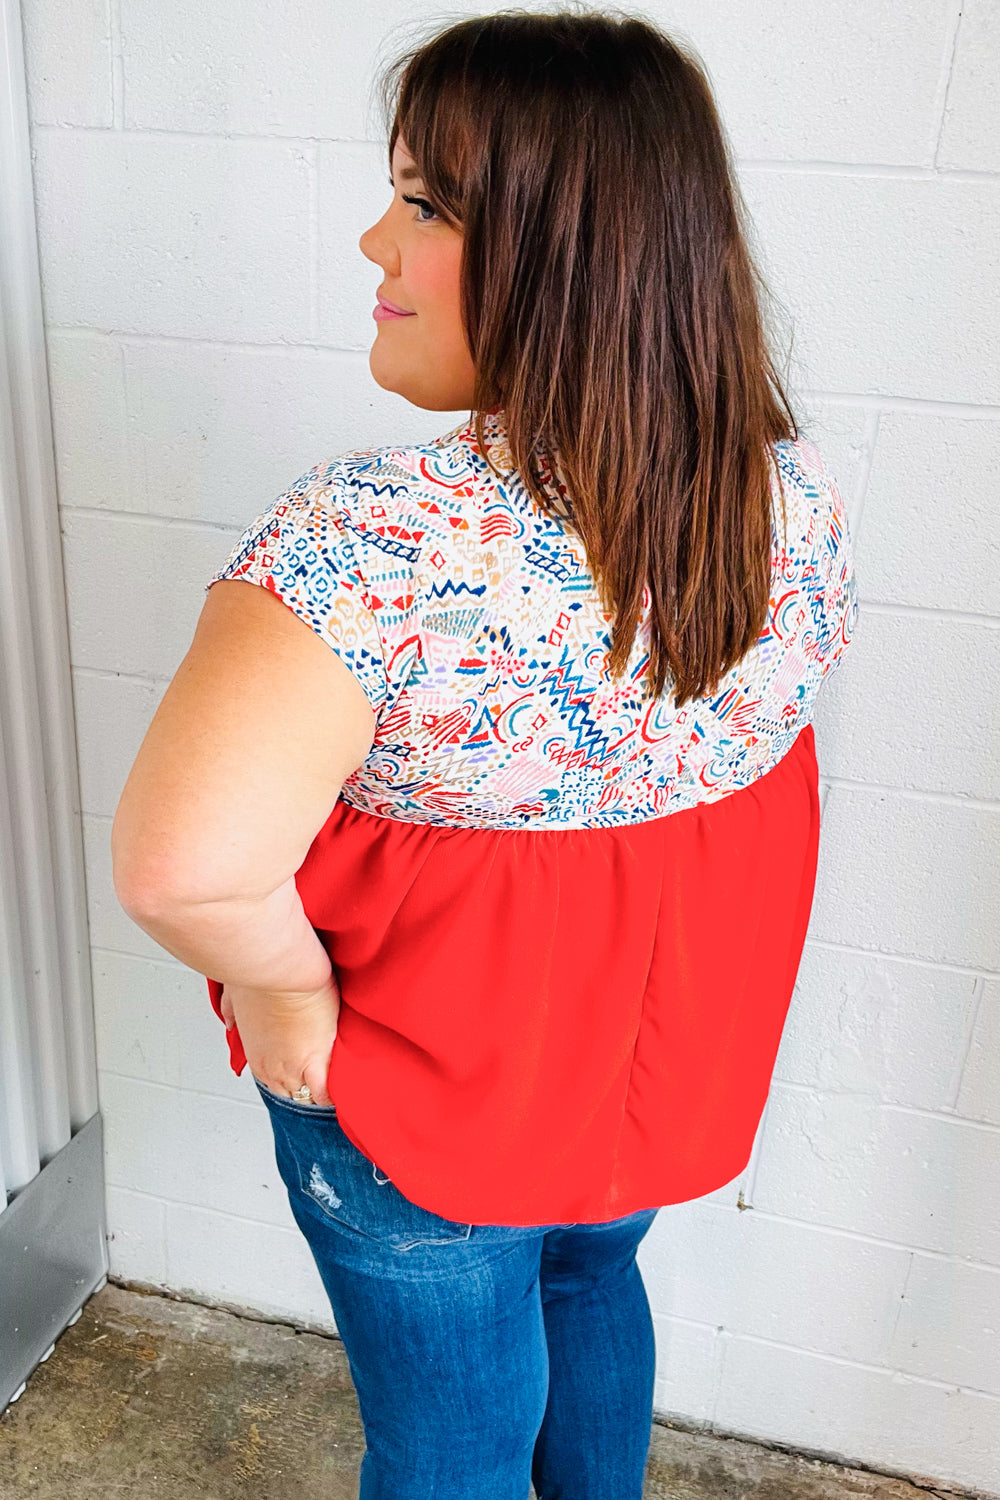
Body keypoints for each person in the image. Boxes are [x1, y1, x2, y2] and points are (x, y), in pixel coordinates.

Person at [112, 9, 858, 1498]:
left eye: (427, 204)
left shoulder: (373, 545)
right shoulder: (792, 504)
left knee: (449, 1439)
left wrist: (281, 997)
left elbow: (184, 868)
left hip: (428, 1097)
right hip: (643, 1085)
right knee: (590, 1289)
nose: (375, 246)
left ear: (563, 251)